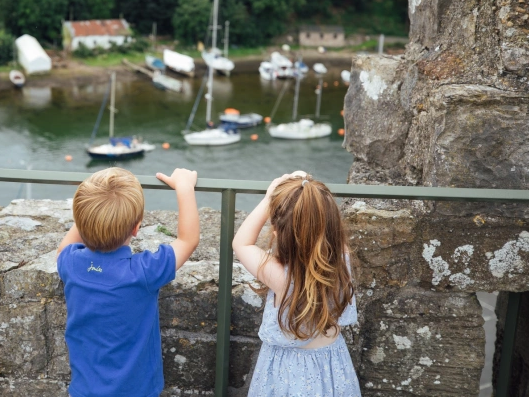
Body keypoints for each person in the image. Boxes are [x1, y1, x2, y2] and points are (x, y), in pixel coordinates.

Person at [56, 166, 199, 397]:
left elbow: (64, 247)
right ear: (136, 227)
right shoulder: (142, 272)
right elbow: (188, 240)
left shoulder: (71, 264)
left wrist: (91, 213)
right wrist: (184, 187)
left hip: (83, 391)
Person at [232, 171, 361, 397]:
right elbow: (326, 228)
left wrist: (268, 198)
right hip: (332, 366)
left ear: (277, 232)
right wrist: (308, 192)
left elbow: (241, 243)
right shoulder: (342, 260)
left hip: (287, 372)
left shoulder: (281, 276)